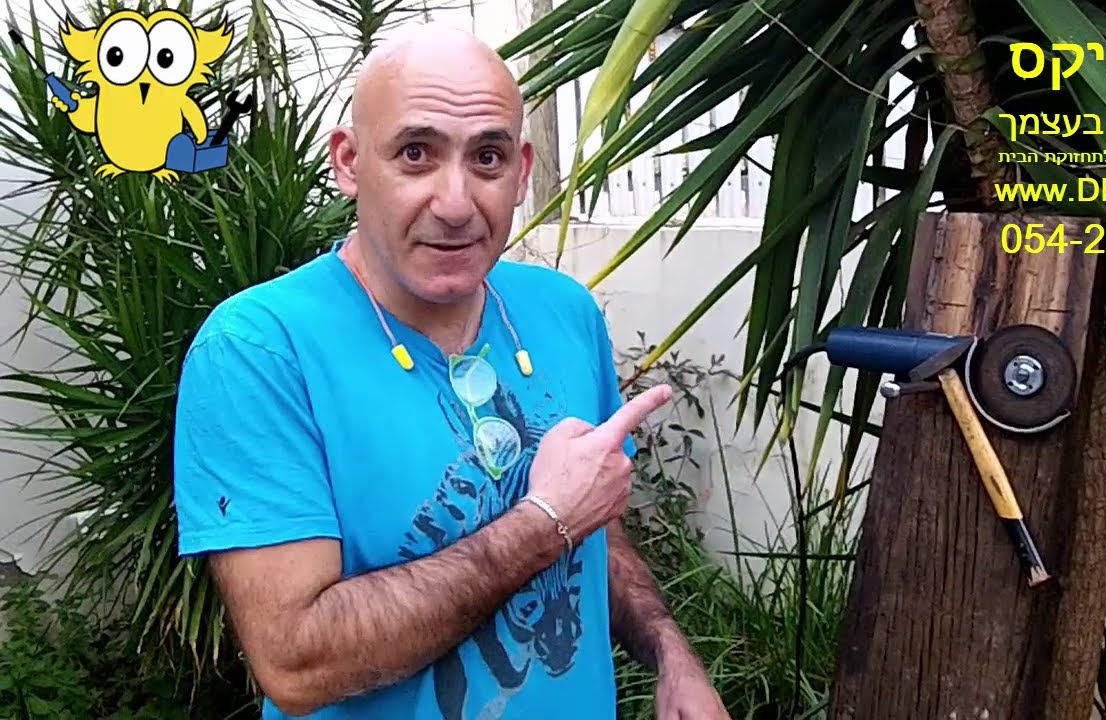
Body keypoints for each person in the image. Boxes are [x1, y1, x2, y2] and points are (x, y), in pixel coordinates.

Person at [171, 22, 731, 720]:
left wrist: (671, 655)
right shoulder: (259, 349)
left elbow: (595, 531)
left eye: (487, 157)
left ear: (521, 172)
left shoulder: (564, 312)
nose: (457, 203)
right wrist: (545, 521)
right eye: (416, 153)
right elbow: (297, 661)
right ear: (349, 163)